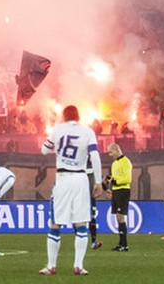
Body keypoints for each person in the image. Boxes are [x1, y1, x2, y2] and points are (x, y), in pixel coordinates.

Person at [39, 105, 104, 276]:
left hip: (63, 178)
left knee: (55, 223)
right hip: (81, 179)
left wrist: (54, 146)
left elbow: (44, 150)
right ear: (78, 116)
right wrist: (98, 181)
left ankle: (51, 266)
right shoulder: (88, 132)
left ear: (64, 116)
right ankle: (78, 266)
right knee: (81, 222)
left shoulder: (57, 129)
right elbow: (95, 156)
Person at [106, 142, 133, 251]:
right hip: (116, 191)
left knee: (121, 217)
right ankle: (121, 243)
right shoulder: (114, 164)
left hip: (123, 191)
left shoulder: (126, 162)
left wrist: (115, 182)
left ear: (116, 150)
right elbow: (114, 177)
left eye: (111, 152)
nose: (110, 155)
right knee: (118, 217)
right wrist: (108, 185)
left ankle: (124, 245)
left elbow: (128, 179)